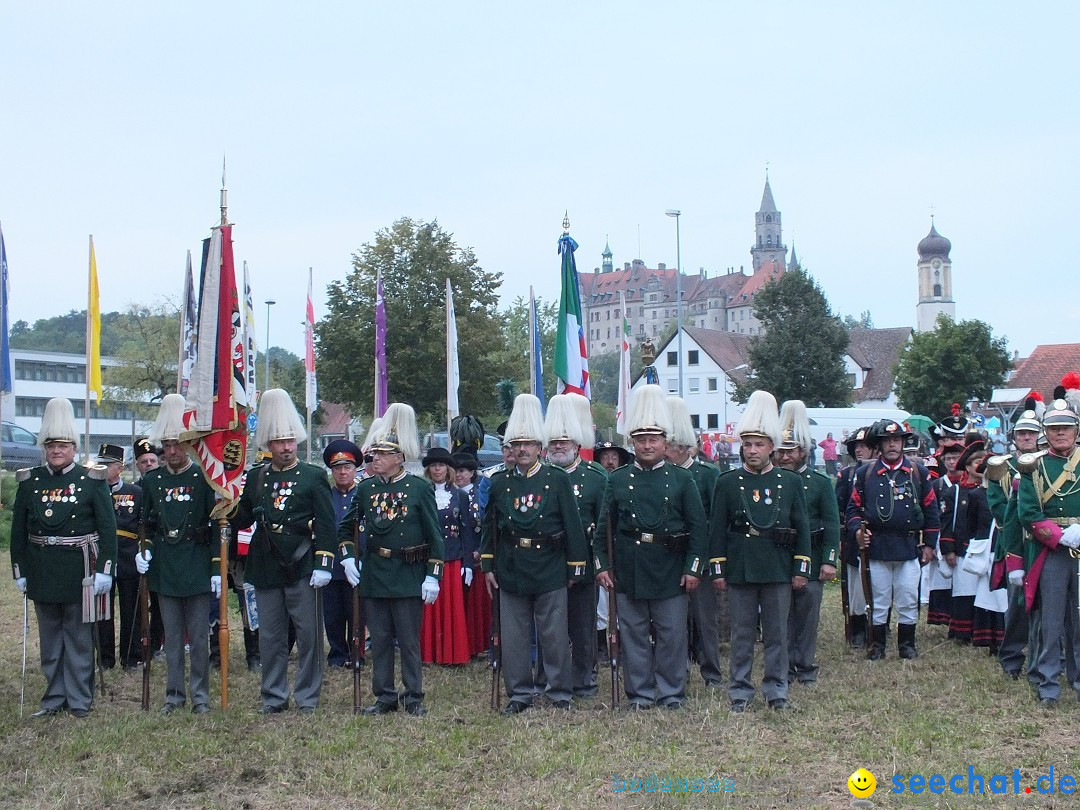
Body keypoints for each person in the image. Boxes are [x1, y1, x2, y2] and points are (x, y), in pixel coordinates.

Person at [595, 385, 708, 710]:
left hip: (671, 568)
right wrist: (602, 564)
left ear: (664, 442)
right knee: (633, 634)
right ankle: (640, 693)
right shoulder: (617, 479)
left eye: (653, 439)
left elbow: (698, 528)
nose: (647, 445)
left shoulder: (682, 479)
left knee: (672, 634)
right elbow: (604, 527)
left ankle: (671, 692)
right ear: (632, 441)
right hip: (629, 568)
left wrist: (692, 568)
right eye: (641, 439)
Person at [481, 394, 588, 714]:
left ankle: (558, 692)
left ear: (540, 447)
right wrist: (488, 563)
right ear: (510, 449)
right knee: (513, 637)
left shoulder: (556, 479)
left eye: (528, 443)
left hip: (550, 565)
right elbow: (490, 526)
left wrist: (576, 567)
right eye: (517, 444)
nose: (523, 449)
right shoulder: (499, 483)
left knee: (553, 635)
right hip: (512, 566)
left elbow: (573, 524)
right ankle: (519, 694)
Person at [231, 389, 336, 715]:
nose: (287, 447)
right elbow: (242, 518)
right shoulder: (256, 478)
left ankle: (307, 697)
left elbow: (328, 524)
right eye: (279, 441)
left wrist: (324, 563)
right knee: (271, 638)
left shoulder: (313, 476)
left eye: (290, 440)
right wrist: (225, 496)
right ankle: (273, 696)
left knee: (309, 637)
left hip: (303, 564)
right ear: (268, 444)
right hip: (265, 565)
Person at [10, 397, 116, 717]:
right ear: (44, 447)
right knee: (51, 641)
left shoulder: (91, 480)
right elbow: (18, 530)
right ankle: (54, 698)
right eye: (51, 445)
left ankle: (80, 699)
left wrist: (106, 570)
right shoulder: (31, 482)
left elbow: (107, 528)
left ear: (73, 447)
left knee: (80, 639)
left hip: (79, 569)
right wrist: (20, 569)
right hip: (43, 569)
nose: (57, 450)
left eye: (63, 445)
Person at [710, 390, 810, 712]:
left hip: (778, 566)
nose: (752, 451)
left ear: (772, 448)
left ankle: (777, 690)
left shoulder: (790, 483)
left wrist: (800, 568)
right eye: (748, 444)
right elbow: (717, 530)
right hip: (741, 567)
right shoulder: (727, 482)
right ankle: (740, 691)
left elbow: (803, 528)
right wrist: (718, 569)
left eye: (759, 445)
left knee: (777, 633)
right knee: (741, 635)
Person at [340, 404, 444, 715]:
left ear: (399, 457)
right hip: (375, 572)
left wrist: (433, 574)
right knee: (381, 639)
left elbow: (434, 535)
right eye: (374, 455)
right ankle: (384, 695)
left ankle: (413, 696)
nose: (376, 460)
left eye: (383, 455)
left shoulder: (419, 488)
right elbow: (346, 526)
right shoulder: (366, 489)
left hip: (409, 572)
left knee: (409, 641)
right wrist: (347, 558)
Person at [135, 394, 216, 715]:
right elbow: (148, 525)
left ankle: (200, 696)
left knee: (198, 639)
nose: (171, 452)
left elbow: (215, 527)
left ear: (190, 445)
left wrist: (215, 567)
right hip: (166, 569)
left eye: (178, 445)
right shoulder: (152, 481)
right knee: (170, 640)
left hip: (196, 566)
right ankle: (173, 695)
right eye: (167, 445)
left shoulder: (204, 479)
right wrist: (145, 552)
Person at [847, 419, 939, 661]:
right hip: (877, 548)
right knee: (878, 598)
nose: (892, 445)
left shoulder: (918, 472)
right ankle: (877, 646)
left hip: (909, 547)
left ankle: (907, 645)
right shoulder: (864, 473)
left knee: (909, 596)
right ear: (879, 445)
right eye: (887, 441)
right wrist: (858, 531)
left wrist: (929, 544)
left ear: (902, 443)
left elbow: (931, 509)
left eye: (896, 440)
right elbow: (853, 510)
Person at [1015, 388, 1080, 706]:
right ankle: (1048, 683)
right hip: (1051, 552)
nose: (1060, 433)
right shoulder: (1033, 467)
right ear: (1046, 433)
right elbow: (1027, 513)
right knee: (1051, 621)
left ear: (1075, 430)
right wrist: (1058, 536)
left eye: (1065, 427)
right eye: (1054, 428)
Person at [544, 394, 606, 698]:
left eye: (564, 441)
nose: (558, 446)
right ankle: (550, 677)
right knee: (549, 627)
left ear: (576, 443)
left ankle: (584, 679)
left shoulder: (596, 478)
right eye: (553, 441)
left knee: (583, 626)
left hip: (584, 562)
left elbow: (604, 525)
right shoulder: (542, 476)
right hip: (548, 563)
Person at [775, 400, 839, 686]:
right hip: (778, 557)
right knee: (780, 617)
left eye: (791, 451)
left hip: (812, 556)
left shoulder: (820, 482)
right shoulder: (772, 481)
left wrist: (829, 559)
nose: (785, 457)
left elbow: (832, 522)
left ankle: (805, 665)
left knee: (808, 616)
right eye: (781, 451)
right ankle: (784, 667)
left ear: (803, 451)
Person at [664, 396, 722, 689]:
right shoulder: (665, 475)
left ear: (684, 447)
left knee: (705, 619)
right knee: (676, 621)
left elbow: (715, 519)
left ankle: (712, 671)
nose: (665, 452)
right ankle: (680, 669)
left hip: (703, 557)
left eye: (670, 447)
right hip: (671, 557)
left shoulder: (707, 474)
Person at [987, 398, 1041, 681]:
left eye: (1031, 433)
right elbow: (997, 506)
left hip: (1043, 542)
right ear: (1014, 437)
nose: (1027, 438)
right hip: (1015, 542)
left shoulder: (1047, 465)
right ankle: (1011, 660)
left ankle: (1046, 659)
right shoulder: (1000, 467)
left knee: (1047, 607)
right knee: (1017, 606)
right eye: (1021, 433)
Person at [419, 447, 473, 665]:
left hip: (453, 558)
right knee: (429, 608)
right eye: (433, 466)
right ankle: (429, 654)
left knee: (452, 608)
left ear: (448, 468)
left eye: (441, 465)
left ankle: (453, 654)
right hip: (429, 558)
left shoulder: (460, 496)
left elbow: (466, 530)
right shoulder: (422, 492)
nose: (437, 469)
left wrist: (468, 563)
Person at [937, 437, 992, 645]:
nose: (980, 465)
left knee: (985, 592)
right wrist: (948, 549)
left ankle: (984, 632)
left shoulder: (991, 490)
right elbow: (947, 522)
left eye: (982, 460)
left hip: (986, 548)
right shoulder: (956, 491)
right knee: (964, 590)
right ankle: (963, 632)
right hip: (963, 550)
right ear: (967, 467)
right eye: (975, 461)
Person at [93, 443, 142, 672]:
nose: (101, 468)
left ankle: (130, 657)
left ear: (120, 468)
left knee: (131, 608)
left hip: (128, 555)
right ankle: (105, 658)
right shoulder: (94, 490)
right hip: (102, 555)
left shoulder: (135, 492)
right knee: (103, 610)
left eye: (107, 465)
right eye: (99, 463)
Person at [322, 439, 363, 669]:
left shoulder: (363, 495)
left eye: (347, 467)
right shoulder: (326, 496)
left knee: (356, 612)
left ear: (355, 469)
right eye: (338, 468)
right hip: (332, 567)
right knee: (333, 615)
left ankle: (356, 653)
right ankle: (337, 654)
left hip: (358, 565)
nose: (342, 472)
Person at [835, 426, 874, 648]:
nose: (859, 450)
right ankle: (858, 628)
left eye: (864, 446)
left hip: (877, 538)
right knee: (856, 588)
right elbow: (839, 508)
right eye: (856, 446)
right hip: (853, 538)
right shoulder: (846, 474)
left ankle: (880, 626)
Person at [452, 451, 490, 659]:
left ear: (472, 473)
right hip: (455, 557)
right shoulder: (447, 495)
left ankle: (478, 645)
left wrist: (481, 551)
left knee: (477, 606)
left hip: (476, 557)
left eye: (462, 471)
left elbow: (486, 524)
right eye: (455, 471)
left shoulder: (479, 494)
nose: (458, 475)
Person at [133, 436, 165, 656]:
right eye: (144, 462)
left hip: (158, 550)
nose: (149, 465)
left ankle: (156, 643)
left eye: (152, 460)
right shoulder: (133, 490)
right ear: (137, 465)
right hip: (134, 553)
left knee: (159, 602)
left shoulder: (162, 487)